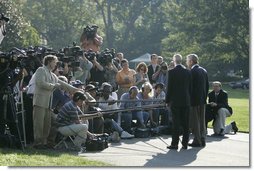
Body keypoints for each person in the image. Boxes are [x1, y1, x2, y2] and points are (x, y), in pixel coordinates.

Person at [32, 55, 78, 149]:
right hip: (40, 102)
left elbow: (63, 84)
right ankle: (38, 143)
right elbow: (40, 83)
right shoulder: (41, 70)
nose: (55, 64)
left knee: (47, 125)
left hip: (48, 104)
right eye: (54, 62)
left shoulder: (52, 74)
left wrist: (75, 90)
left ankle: (44, 143)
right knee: (39, 124)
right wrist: (54, 86)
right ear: (49, 62)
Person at [165, 54, 191, 150]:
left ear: (174, 61)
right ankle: (185, 143)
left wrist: (167, 101)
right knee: (185, 123)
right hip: (186, 100)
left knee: (176, 123)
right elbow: (190, 87)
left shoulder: (171, 72)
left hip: (175, 101)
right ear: (181, 61)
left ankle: (175, 144)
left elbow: (169, 88)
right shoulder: (188, 72)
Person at [186, 54, 209, 147]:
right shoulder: (204, 70)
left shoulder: (192, 71)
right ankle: (203, 138)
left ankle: (197, 140)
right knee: (202, 121)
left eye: (187, 60)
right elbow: (207, 86)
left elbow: (189, 87)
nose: (187, 62)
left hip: (194, 100)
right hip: (202, 99)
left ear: (191, 61)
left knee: (196, 121)